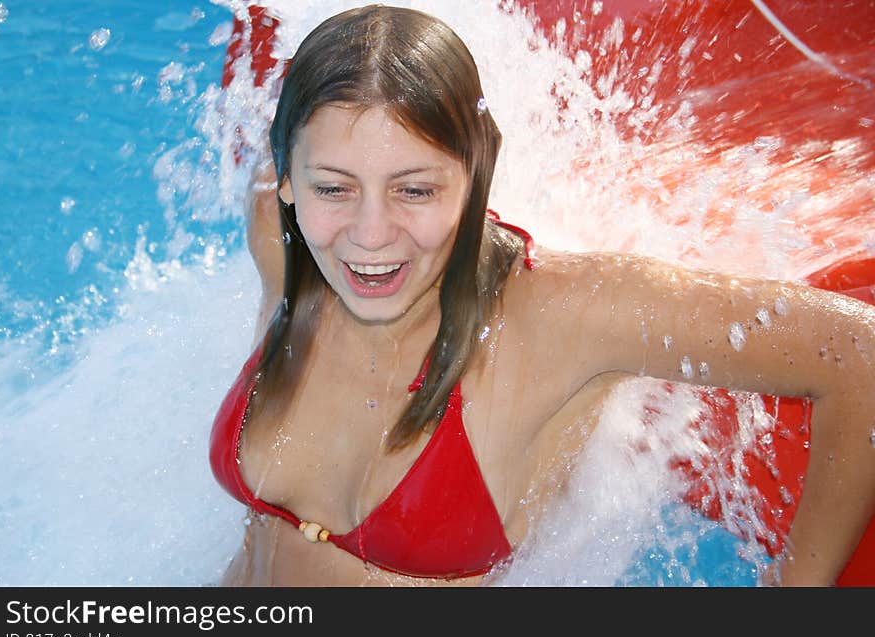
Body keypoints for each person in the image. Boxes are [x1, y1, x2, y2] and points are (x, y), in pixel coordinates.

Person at [210, 4, 875, 586]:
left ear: (478, 176)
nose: (371, 235)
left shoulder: (558, 314)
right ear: (291, 179)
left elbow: (855, 351)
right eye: (334, 187)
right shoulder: (283, 232)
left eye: (416, 189)